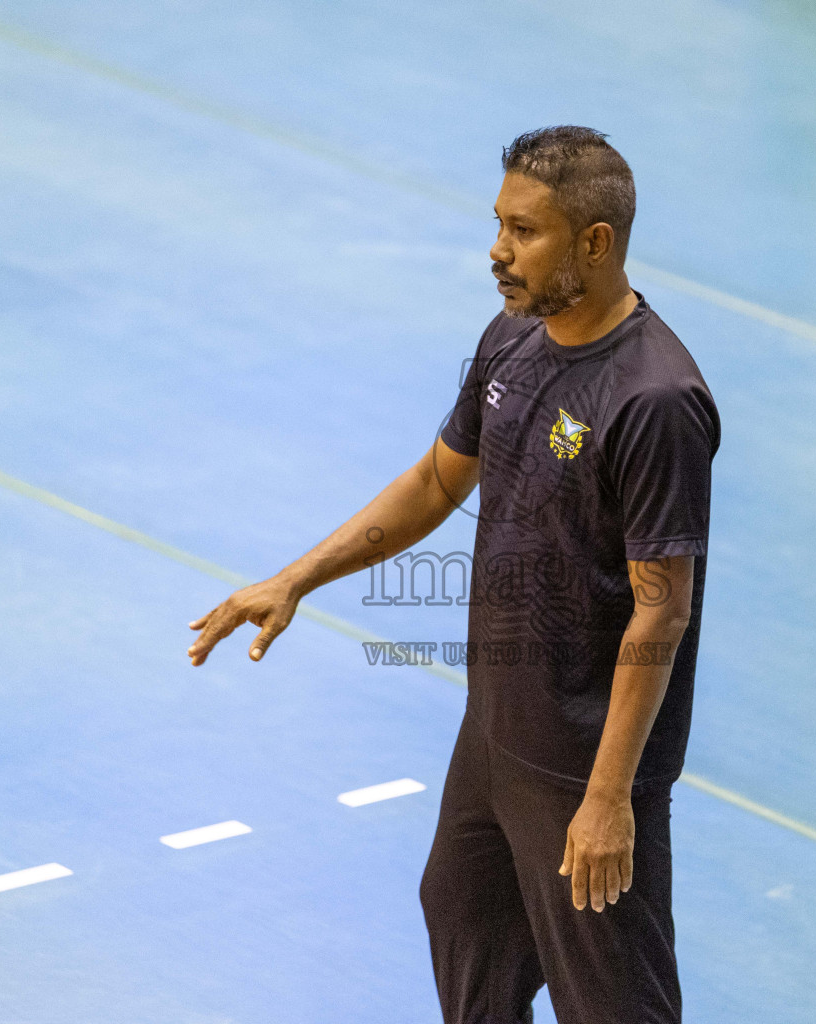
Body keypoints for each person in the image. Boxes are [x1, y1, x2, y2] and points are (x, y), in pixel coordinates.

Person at [187, 125, 719, 1024]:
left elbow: (659, 617)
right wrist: (297, 579)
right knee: (466, 927)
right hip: (497, 729)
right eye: (499, 224)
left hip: (582, 763)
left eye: (525, 232)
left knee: (613, 1001)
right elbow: (438, 480)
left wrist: (607, 802)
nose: (498, 252)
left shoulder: (654, 400)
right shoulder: (513, 339)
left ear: (595, 242)